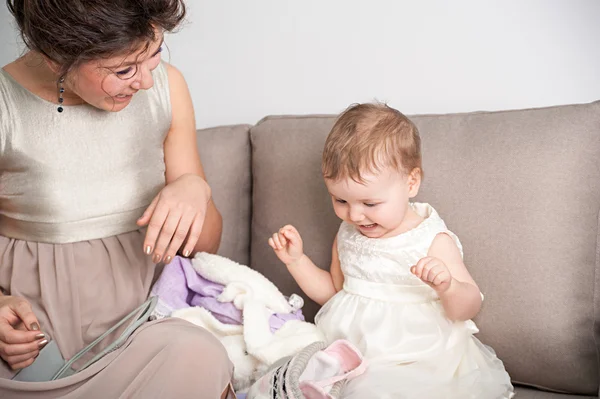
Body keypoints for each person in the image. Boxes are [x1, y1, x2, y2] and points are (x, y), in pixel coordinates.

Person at [0, 0, 234, 397]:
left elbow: (206, 245)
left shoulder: (167, 88)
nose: (144, 81)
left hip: (135, 335)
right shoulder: (6, 105)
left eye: (155, 54)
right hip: (34, 350)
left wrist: (195, 187)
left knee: (199, 354)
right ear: (58, 57)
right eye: (124, 70)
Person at [269, 103, 514, 398]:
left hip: (414, 355)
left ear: (411, 183)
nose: (355, 215)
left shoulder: (429, 239)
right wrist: (297, 261)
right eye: (340, 201)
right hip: (351, 351)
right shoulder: (348, 233)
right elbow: (334, 292)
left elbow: (469, 305)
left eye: (369, 204)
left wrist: (447, 285)